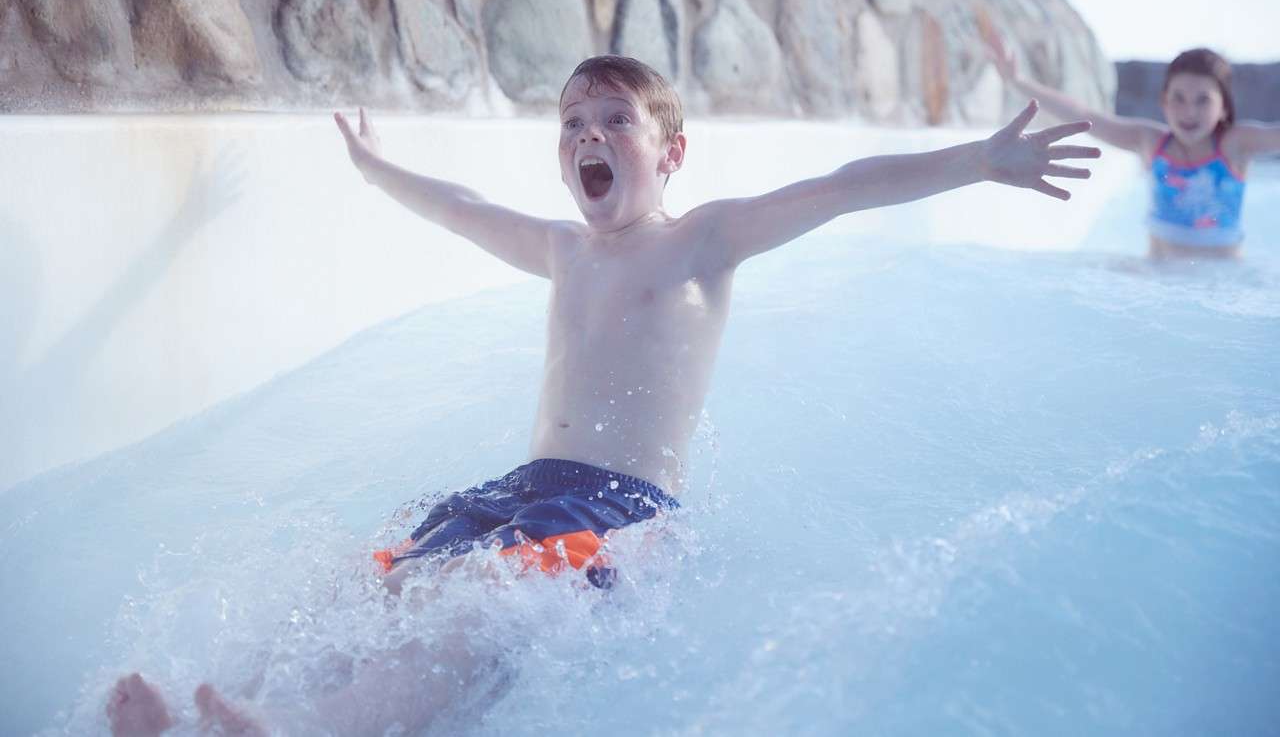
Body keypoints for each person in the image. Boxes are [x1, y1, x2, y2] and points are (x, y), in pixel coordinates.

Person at [105, 55, 1099, 735]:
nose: (588, 134)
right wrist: (373, 169)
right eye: (572, 122)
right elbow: (461, 208)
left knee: (477, 613)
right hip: (517, 489)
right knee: (376, 573)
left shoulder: (702, 240)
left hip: (616, 509)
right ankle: (219, 705)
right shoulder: (560, 248)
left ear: (667, 153)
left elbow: (846, 183)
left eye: (615, 119)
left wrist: (979, 159)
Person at [983, 30, 1280, 258]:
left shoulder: (1235, 145)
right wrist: (1018, 80)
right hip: (1158, 275)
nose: (1189, 111)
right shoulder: (1151, 143)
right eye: (1178, 98)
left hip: (1221, 282)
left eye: (1203, 100)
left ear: (1224, 108)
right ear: (1163, 102)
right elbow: (1084, 114)